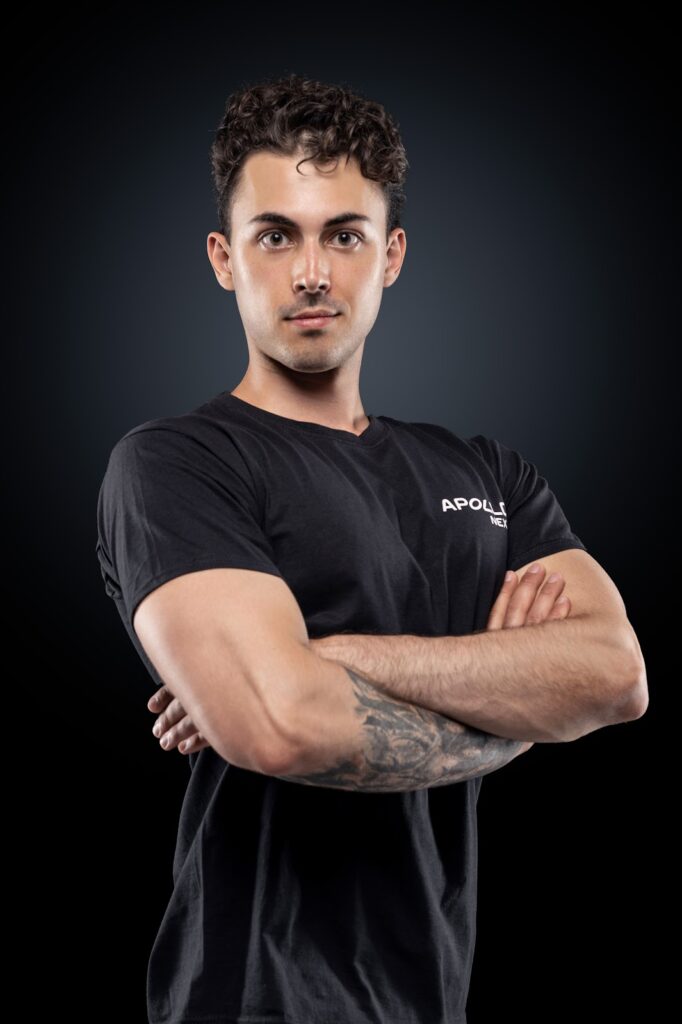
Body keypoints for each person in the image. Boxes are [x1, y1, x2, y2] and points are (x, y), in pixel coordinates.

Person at [95, 72, 648, 1024]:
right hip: (250, 999)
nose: (312, 272)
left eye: (344, 235)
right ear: (225, 258)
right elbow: (281, 725)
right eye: (277, 236)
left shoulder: (491, 472)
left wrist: (333, 656)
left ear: (390, 255)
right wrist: (524, 711)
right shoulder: (177, 464)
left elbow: (615, 675)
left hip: (433, 994)